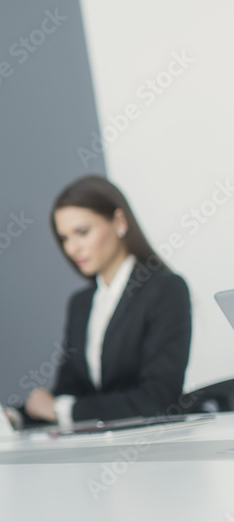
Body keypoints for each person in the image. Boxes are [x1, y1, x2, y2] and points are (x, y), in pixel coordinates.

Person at [24, 175, 192, 426]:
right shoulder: (81, 303)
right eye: (64, 238)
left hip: (150, 446)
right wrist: (19, 416)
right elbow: (69, 392)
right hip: (97, 446)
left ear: (119, 222)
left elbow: (157, 399)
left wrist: (62, 410)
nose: (72, 249)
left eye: (82, 232)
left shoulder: (165, 289)